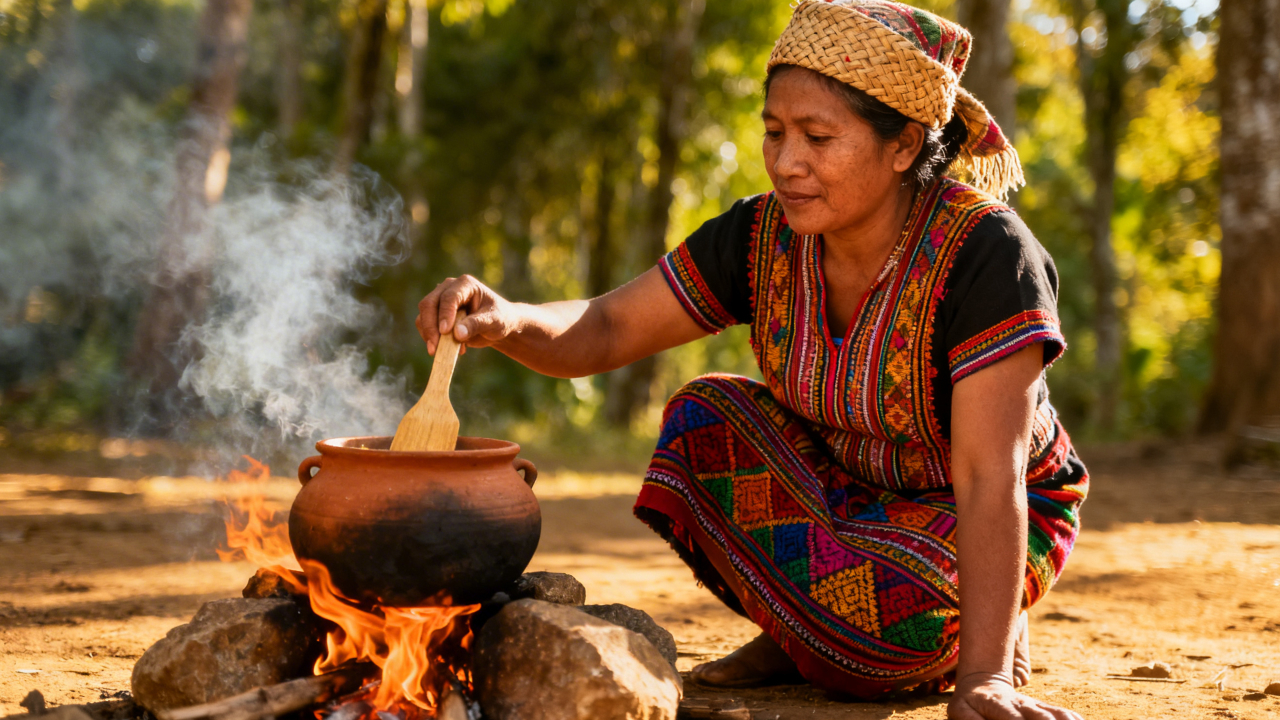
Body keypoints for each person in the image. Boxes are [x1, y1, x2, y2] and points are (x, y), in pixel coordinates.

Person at [416, 1, 1087, 717]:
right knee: (701, 422)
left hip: (979, 510)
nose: (787, 161)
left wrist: (986, 676)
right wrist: (509, 318)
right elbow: (608, 327)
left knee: (898, 628)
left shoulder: (989, 255)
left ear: (903, 146)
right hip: (845, 490)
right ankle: (805, 634)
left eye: (818, 137)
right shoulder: (759, 234)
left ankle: (972, 622)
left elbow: (991, 476)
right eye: (774, 132)